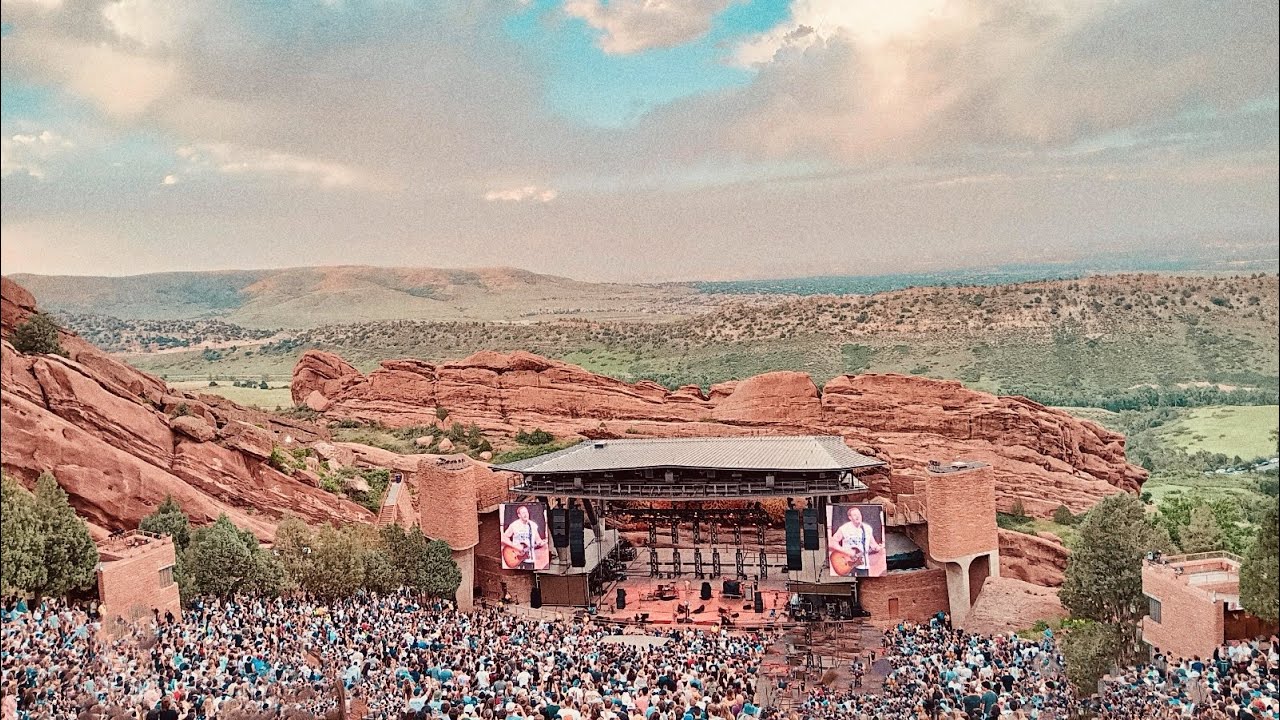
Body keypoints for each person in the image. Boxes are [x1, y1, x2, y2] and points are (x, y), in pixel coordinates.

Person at [828, 507, 882, 576]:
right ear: (850, 517)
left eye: (859, 514)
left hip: (862, 564)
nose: (858, 516)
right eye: (855, 515)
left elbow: (873, 544)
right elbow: (832, 543)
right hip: (848, 563)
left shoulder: (867, 528)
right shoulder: (844, 528)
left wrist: (878, 547)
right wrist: (846, 551)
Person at [502, 505, 548, 570]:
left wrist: (543, 542)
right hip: (517, 557)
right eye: (523, 513)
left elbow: (538, 540)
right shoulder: (514, 525)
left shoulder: (533, 525)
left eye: (526, 512)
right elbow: (504, 538)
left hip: (529, 558)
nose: (525, 514)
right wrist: (516, 546)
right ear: (519, 515)